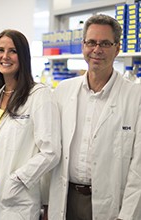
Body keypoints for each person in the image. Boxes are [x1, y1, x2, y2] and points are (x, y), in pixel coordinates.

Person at [48, 14, 141, 220]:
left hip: (111, 204)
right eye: (91, 42)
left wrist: (127, 215)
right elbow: (50, 150)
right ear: (83, 46)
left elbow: (139, 167)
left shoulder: (135, 97)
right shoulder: (63, 91)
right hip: (65, 198)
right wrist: (45, 202)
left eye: (105, 43)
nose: (97, 50)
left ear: (117, 49)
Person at [0, 29, 61, 220]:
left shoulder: (39, 95)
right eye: (0, 50)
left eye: (13, 51)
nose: (5, 56)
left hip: (14, 200)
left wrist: (16, 180)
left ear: (24, 57)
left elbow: (51, 151)